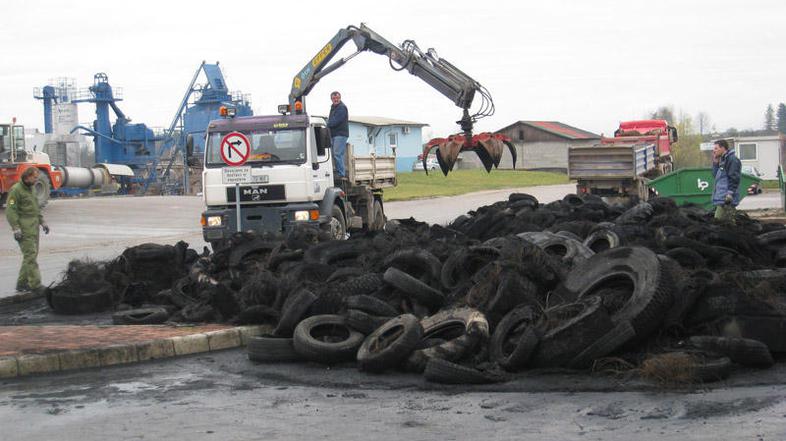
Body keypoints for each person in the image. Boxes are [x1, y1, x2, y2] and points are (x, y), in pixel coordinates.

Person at [6, 167, 49, 293]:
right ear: (27, 176)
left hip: (34, 227)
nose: (36, 180)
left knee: (31, 256)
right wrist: (15, 228)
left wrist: (42, 222)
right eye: (34, 178)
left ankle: (21, 283)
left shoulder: (32, 189)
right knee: (30, 256)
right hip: (24, 229)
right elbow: (10, 211)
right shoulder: (16, 190)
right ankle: (36, 284)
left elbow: (36, 208)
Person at [711, 139, 741, 224]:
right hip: (722, 198)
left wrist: (730, 193)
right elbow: (715, 175)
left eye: (716, 148)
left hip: (726, 199)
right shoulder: (722, 160)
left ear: (723, 148)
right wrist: (715, 162)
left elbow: (734, 178)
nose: (714, 151)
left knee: (718, 221)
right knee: (728, 223)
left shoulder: (732, 160)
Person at [327, 91, 349, 178]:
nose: (335, 99)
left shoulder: (342, 108)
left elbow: (336, 121)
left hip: (340, 134)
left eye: (337, 98)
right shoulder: (333, 108)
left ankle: (341, 173)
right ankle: (338, 171)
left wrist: (327, 124)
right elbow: (330, 119)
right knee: (334, 154)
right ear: (331, 99)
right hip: (334, 134)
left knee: (337, 153)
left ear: (340, 98)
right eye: (334, 98)